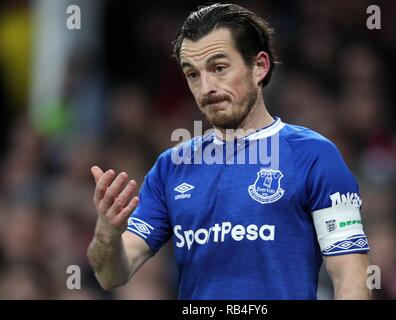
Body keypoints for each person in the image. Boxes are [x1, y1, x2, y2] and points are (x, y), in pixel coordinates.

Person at [87, 3, 371, 299]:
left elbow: (350, 277)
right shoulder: (171, 167)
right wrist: (106, 234)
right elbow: (111, 275)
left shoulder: (314, 156)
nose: (206, 87)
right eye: (193, 74)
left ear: (259, 66)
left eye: (219, 68)